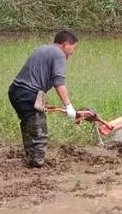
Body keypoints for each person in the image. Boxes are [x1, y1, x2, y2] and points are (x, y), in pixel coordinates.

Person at [7, 30, 79, 168]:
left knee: (29, 124)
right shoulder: (59, 55)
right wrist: (68, 106)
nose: (73, 52)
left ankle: (31, 158)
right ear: (65, 44)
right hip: (28, 94)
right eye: (73, 48)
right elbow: (59, 83)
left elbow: (37, 76)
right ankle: (36, 163)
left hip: (15, 91)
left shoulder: (42, 49)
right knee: (39, 128)